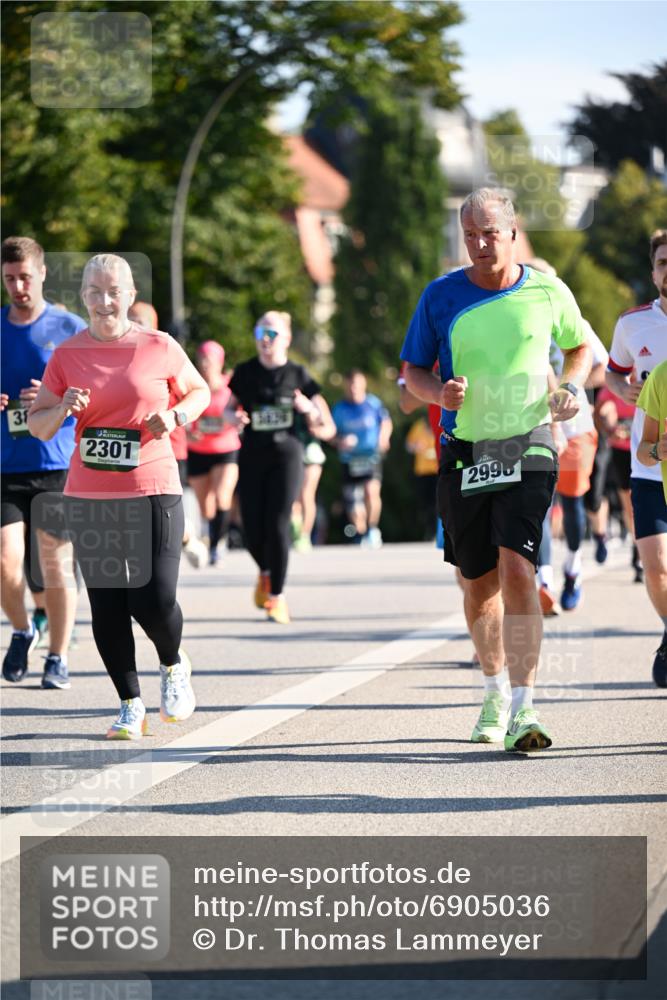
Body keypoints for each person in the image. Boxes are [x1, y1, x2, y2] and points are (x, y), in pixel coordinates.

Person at [401, 188, 591, 752]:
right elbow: (411, 371)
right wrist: (442, 392)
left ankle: (526, 707)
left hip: (529, 439)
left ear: (513, 232)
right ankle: (492, 693)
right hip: (466, 449)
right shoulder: (440, 297)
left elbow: (579, 347)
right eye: (470, 235)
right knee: (478, 580)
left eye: (490, 233)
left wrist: (573, 387)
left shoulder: (546, 290)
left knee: (517, 567)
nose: (481, 245)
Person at [28, 254, 210, 738]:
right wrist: (63, 407)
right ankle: (130, 704)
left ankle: (172, 663)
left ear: (130, 295)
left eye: (114, 292)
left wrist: (174, 418)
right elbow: (39, 425)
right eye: (95, 291)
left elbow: (199, 393)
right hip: (90, 494)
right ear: (83, 295)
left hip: (153, 486)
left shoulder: (159, 346)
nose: (104, 301)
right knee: (107, 604)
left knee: (154, 595)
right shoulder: (67, 355)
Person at [1, 236, 86, 689]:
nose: (18, 287)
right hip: (4, 464)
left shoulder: (71, 328)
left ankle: (57, 656)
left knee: (55, 566)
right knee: (4, 563)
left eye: (25, 277)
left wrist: (53, 400)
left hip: (54, 462)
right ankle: (21, 628)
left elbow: (97, 397)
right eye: (10, 278)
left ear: (43, 274)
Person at [229, 311, 335, 624]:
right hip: (251, 454)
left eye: (272, 333)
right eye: (260, 331)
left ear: (286, 338)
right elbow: (226, 410)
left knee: (278, 523)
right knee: (250, 528)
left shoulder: (299, 375)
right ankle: (265, 571)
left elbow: (326, 425)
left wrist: (308, 410)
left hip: (287, 455)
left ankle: (277, 596)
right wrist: (231, 419)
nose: (265, 339)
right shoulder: (245, 373)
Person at [606, 230, 667, 686]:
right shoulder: (633, 324)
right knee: (656, 566)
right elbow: (613, 372)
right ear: (654, 271)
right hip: (649, 464)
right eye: (663, 262)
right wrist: (621, 389)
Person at [128, 300, 209, 569]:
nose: (136, 324)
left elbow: (196, 396)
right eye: (132, 318)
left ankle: (184, 537)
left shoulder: (165, 354)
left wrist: (177, 417)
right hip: (135, 450)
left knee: (163, 512)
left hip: (171, 448)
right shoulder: (118, 358)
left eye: (142, 320)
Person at [186, 340, 241, 565]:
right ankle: (213, 535)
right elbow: (182, 413)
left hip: (226, 449)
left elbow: (241, 409)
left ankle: (217, 544)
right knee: (205, 506)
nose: (205, 364)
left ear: (220, 362)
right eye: (202, 360)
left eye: (210, 360)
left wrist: (237, 419)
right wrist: (188, 432)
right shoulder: (193, 385)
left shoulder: (231, 386)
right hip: (198, 450)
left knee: (222, 496)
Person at [332, 370, 393, 548]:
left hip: (371, 456)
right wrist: (340, 441)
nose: (354, 389)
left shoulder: (373, 404)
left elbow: (386, 422)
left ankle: (372, 529)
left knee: (371, 491)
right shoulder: (340, 408)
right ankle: (360, 531)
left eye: (357, 385)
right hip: (350, 459)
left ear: (363, 385)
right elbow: (331, 433)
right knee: (352, 499)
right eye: (350, 385)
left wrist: (384, 438)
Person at [594, 386, 642, 581]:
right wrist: (610, 431)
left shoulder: (654, 371)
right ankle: (638, 548)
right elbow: (598, 411)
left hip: (651, 445)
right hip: (622, 450)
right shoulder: (618, 378)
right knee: (629, 505)